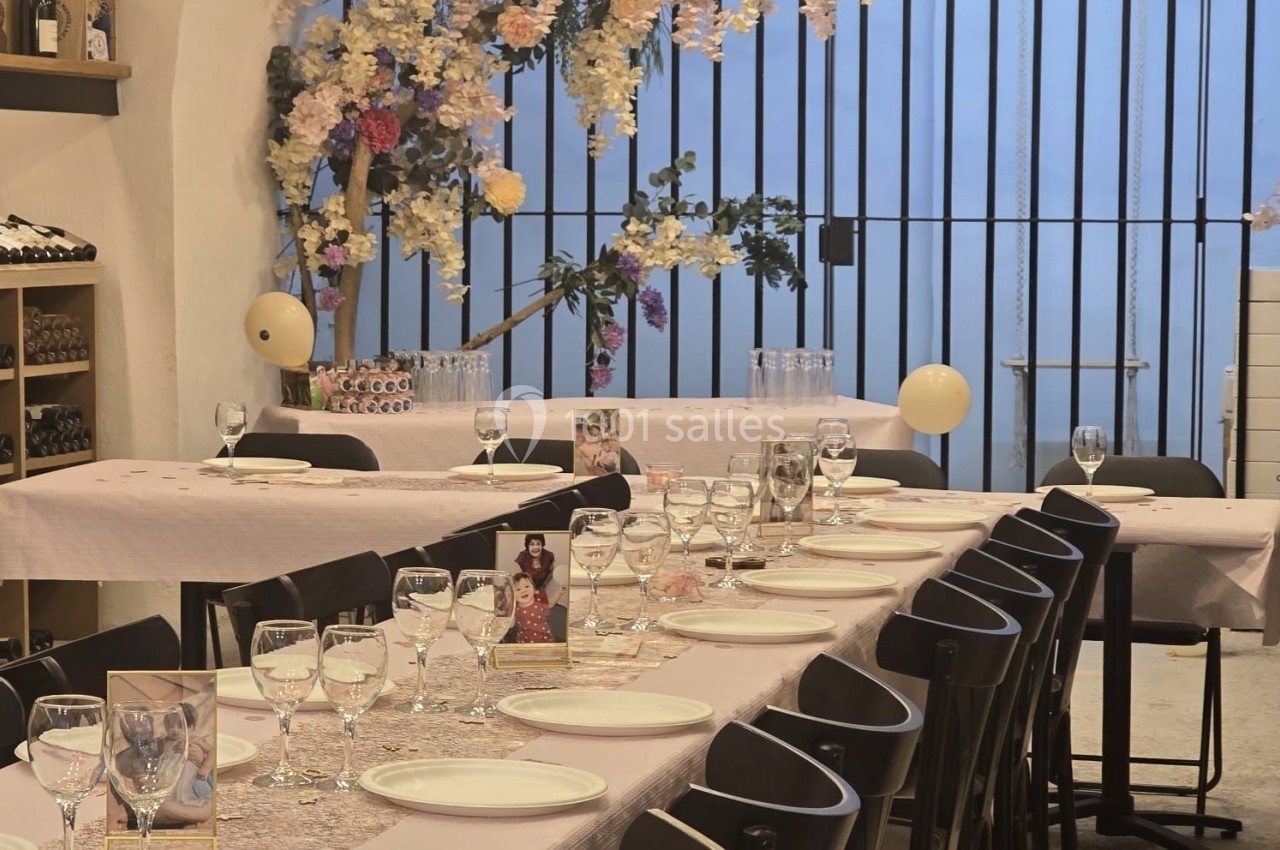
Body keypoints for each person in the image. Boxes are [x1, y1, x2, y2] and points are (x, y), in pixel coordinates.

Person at [510, 571, 565, 643]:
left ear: (533, 588)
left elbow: (550, 603)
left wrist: (559, 593)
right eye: (518, 589)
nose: (523, 591)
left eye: (527, 586)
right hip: (526, 640)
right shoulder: (515, 608)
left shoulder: (539, 599)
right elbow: (511, 624)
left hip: (544, 637)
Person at [513, 533, 559, 605]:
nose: (535, 547)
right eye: (532, 544)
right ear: (527, 546)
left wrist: (543, 585)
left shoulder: (548, 556)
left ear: (542, 545)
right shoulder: (522, 557)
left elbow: (550, 571)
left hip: (540, 592)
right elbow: (517, 581)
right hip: (524, 593)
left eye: (538, 544)